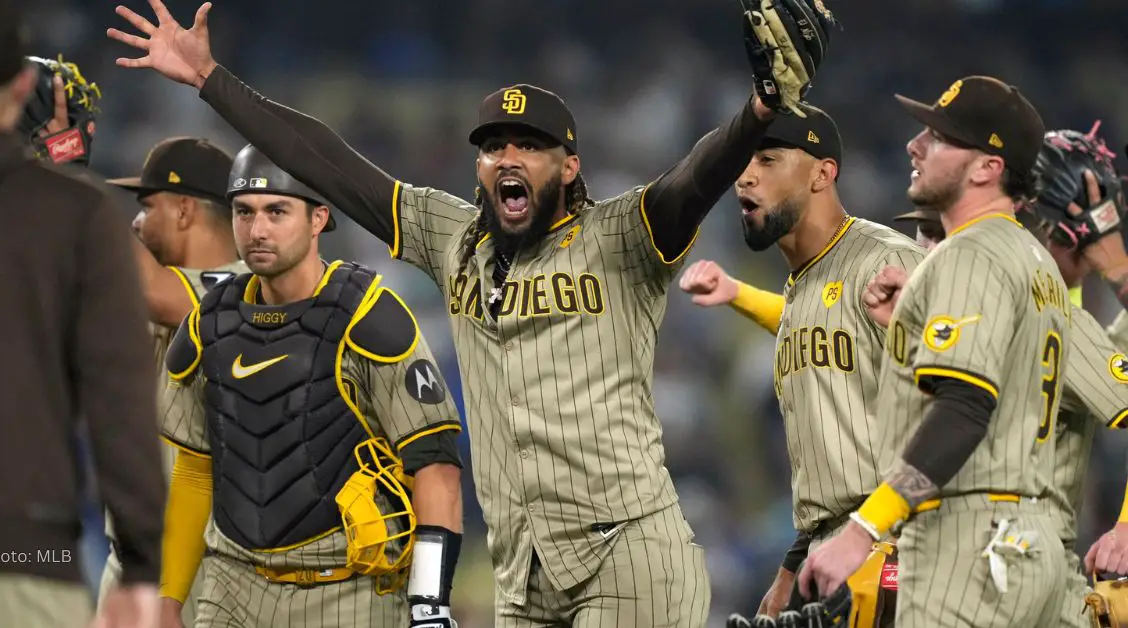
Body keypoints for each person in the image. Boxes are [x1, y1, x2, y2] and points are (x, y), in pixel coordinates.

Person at [106, 0, 833, 623]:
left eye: (531, 146)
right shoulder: (450, 236)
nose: (508, 156)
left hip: (627, 554)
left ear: (570, 166)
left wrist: (760, 110)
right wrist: (209, 79)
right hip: (523, 570)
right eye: (493, 146)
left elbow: (691, 181)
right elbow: (328, 163)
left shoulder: (621, 234)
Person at [0, 1, 165, 627]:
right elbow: (120, 400)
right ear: (21, 86)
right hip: (17, 551)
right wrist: (142, 567)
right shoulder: (72, 219)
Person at [159, 145, 465, 628]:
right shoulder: (208, 321)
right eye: (244, 212)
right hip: (231, 589)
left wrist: (429, 603)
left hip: (347, 590)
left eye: (277, 211)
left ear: (318, 218)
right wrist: (168, 601)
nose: (257, 230)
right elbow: (195, 471)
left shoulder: (368, 317)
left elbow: (434, 465)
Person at [801, 75, 1068, 627]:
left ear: (986, 167)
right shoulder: (1032, 259)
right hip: (1029, 537)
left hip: (968, 543)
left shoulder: (969, 255)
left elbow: (965, 408)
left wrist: (862, 530)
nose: (914, 146)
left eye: (939, 138)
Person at [678, 105, 923, 622]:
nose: (745, 175)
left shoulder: (886, 263)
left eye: (768, 159)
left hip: (901, 547)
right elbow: (832, 471)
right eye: (744, 161)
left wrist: (886, 545)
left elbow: (958, 415)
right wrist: (793, 568)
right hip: (834, 548)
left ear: (822, 173)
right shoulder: (806, 283)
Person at [101, 136, 248, 624]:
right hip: (131, 557)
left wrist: (67, 171)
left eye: (148, 206)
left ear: (184, 209)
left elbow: (153, 289)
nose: (136, 222)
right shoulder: (154, 293)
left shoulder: (249, 289)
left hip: (212, 567)